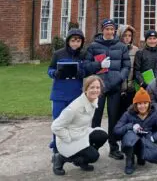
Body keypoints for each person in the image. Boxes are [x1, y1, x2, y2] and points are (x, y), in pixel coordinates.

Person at [84, 19, 130, 160]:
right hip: (99, 88)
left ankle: (113, 147)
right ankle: (93, 147)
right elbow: (86, 65)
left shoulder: (121, 46)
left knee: (113, 118)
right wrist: (99, 64)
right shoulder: (93, 46)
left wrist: (119, 77)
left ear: (114, 31)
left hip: (115, 87)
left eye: (112, 29)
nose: (109, 32)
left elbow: (126, 66)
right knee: (96, 118)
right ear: (102, 30)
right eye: (107, 29)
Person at [51, 76, 108, 176]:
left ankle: (83, 160)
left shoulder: (94, 100)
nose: (95, 90)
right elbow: (55, 126)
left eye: (98, 87)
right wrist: (68, 138)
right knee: (94, 156)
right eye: (92, 87)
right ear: (86, 89)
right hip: (69, 139)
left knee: (102, 135)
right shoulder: (74, 108)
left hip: (82, 133)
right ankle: (60, 158)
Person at [48, 28, 86, 154]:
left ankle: (75, 149)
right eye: (73, 40)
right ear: (68, 41)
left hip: (75, 94)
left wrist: (81, 72)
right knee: (58, 122)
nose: (76, 43)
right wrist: (55, 73)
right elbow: (50, 70)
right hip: (59, 94)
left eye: (78, 41)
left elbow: (86, 70)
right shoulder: (58, 54)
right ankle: (57, 150)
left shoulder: (82, 55)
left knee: (75, 123)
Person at [114, 87, 157, 174]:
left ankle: (142, 156)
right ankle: (129, 161)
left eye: (145, 103)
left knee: (155, 156)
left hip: (146, 140)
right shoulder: (128, 114)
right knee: (130, 136)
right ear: (135, 104)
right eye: (139, 103)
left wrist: (153, 138)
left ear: (149, 103)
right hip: (131, 142)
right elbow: (116, 130)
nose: (142, 106)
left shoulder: (153, 114)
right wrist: (130, 126)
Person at [117, 25, 139, 115]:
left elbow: (136, 68)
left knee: (130, 114)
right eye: (125, 35)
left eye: (129, 36)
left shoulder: (136, 50)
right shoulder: (116, 48)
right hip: (118, 87)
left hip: (131, 88)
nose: (127, 38)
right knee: (118, 114)